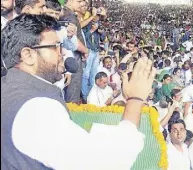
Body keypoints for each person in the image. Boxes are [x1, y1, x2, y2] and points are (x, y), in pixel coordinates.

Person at [1, 14, 157, 169]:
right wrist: (135, 99)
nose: (62, 53)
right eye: (56, 46)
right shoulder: (34, 108)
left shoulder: (9, 88)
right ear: (28, 55)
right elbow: (104, 161)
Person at [61, 0, 89, 103]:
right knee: (73, 90)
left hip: (71, 57)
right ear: (69, 1)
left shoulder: (68, 13)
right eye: (79, 1)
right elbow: (72, 39)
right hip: (73, 57)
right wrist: (85, 50)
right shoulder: (69, 17)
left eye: (82, 1)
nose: (82, 4)